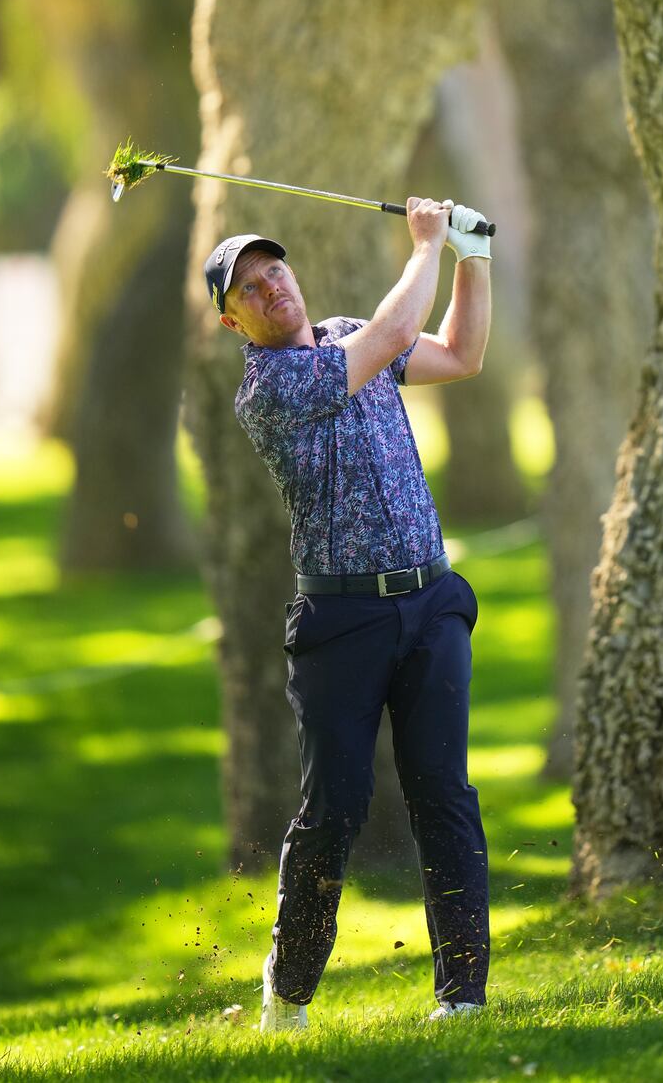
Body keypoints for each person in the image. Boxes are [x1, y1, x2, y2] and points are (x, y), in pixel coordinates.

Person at [203, 197, 493, 1034]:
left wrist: (473, 257)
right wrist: (429, 244)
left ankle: (464, 997)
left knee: (445, 790)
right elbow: (397, 330)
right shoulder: (273, 388)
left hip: (431, 600)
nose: (270, 290)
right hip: (342, 624)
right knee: (336, 806)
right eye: (248, 290)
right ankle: (288, 990)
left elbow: (461, 354)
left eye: (274, 272)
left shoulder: (341, 332)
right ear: (231, 321)